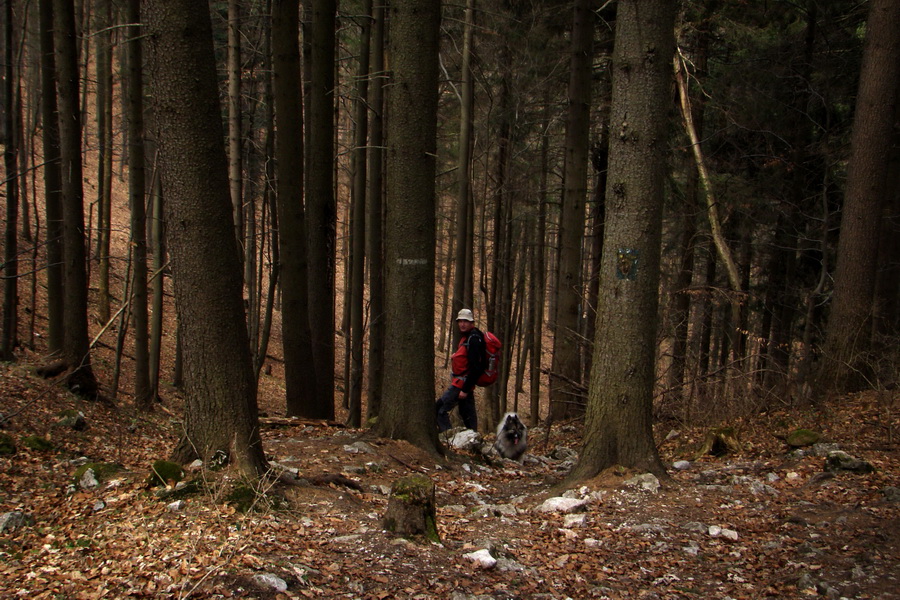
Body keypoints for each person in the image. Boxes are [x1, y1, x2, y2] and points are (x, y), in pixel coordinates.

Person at [436, 308, 487, 432]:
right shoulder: (471, 336)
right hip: (464, 383)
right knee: (467, 415)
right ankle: (473, 438)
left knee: (439, 409)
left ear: (472, 323)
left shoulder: (474, 339)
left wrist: (465, 389)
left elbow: (476, 367)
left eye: (466, 321)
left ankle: (449, 437)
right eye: (460, 321)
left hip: (462, 384)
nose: (462, 324)